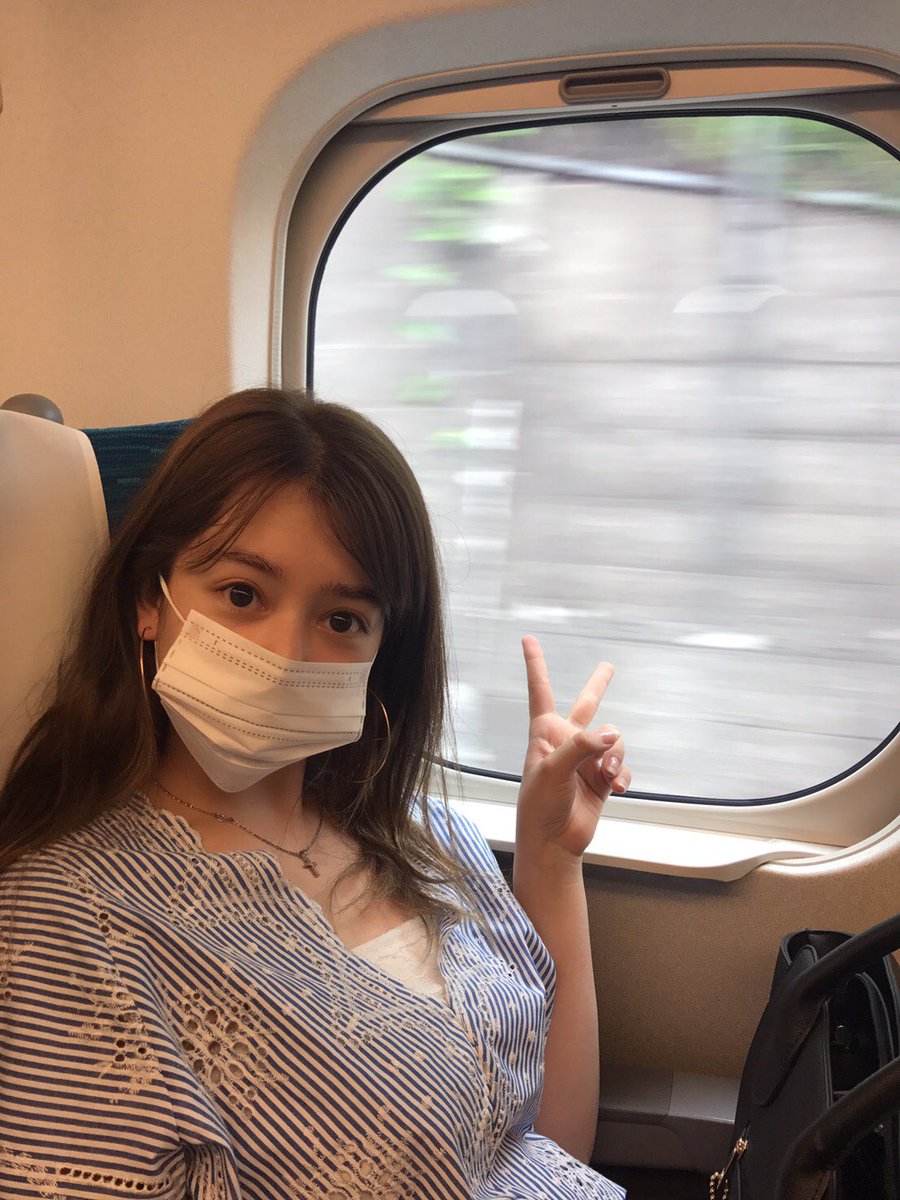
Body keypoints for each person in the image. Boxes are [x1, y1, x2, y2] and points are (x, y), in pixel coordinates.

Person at [0, 388, 631, 1199]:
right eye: (242, 595)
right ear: (148, 602)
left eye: (342, 620)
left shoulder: (427, 835)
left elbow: (547, 1150)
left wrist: (549, 857)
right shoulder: (70, 917)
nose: (286, 652)